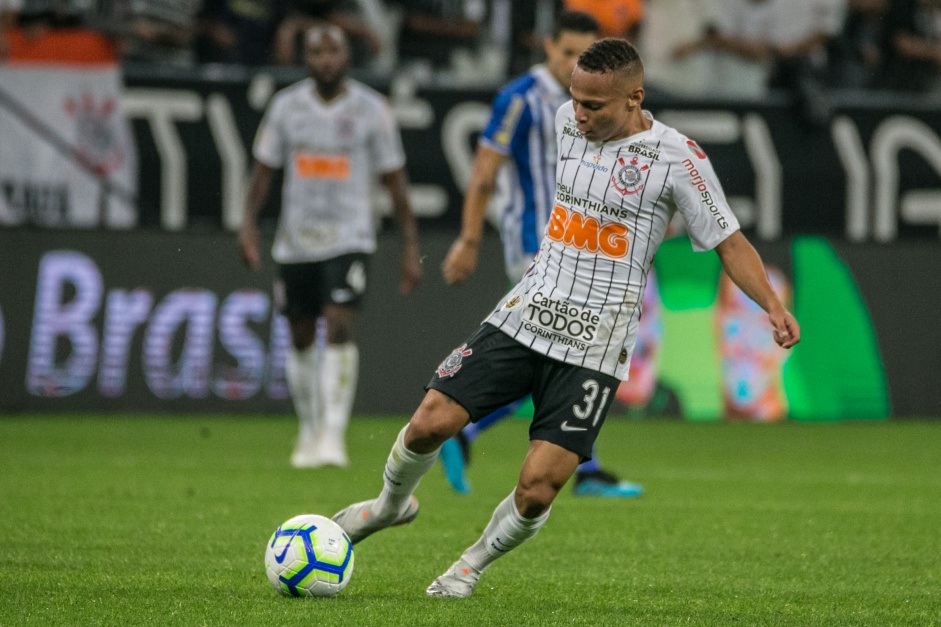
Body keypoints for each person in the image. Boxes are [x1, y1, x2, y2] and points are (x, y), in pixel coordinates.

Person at [332, 37, 800, 598]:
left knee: (537, 488)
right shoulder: (562, 121)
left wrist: (771, 304)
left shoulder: (679, 159)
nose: (579, 114)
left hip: (596, 346)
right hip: (524, 316)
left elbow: (728, 240)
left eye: (593, 106)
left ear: (635, 98)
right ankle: (387, 506)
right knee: (430, 420)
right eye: (574, 100)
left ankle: (468, 567)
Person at [439, 10, 643, 499]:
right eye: (568, 52)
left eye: (585, 54)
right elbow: (485, 171)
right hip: (537, 243)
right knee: (574, 352)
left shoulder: (602, 100)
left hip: (588, 245)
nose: (575, 62)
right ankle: (478, 432)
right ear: (548, 47)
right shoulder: (521, 98)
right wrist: (468, 239)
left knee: (566, 354)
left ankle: (477, 434)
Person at [239, 24, 421, 468]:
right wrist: (248, 226)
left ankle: (332, 435)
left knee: (339, 323)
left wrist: (409, 244)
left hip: (350, 236)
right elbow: (263, 173)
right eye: (316, 52)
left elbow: (395, 182)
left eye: (332, 52)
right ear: (304, 59)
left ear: (347, 57)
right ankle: (309, 427)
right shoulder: (286, 108)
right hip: (296, 239)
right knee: (300, 334)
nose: (325, 60)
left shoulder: (371, 110)